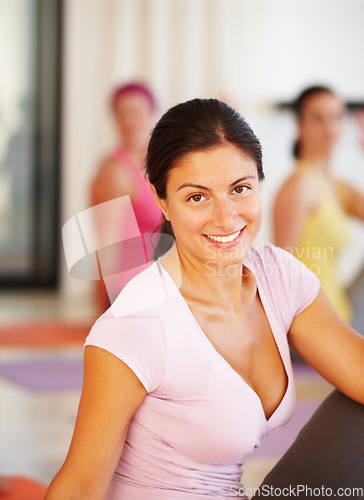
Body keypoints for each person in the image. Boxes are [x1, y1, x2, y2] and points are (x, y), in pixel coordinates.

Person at [46, 99, 364, 499]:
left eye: (240, 189)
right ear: (162, 201)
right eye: (197, 197)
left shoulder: (281, 277)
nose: (226, 217)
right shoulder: (136, 326)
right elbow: (78, 485)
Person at [273, 86, 364, 323]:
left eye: (336, 116)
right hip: (314, 322)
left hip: (341, 311)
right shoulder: (300, 184)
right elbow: (280, 268)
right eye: (318, 118)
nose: (329, 125)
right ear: (299, 127)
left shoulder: (338, 187)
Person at [90, 82, 162, 315]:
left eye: (136, 113)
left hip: (158, 286)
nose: (130, 121)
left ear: (151, 115)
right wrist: (103, 309)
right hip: (129, 294)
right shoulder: (115, 172)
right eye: (122, 114)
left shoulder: (156, 165)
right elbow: (105, 247)